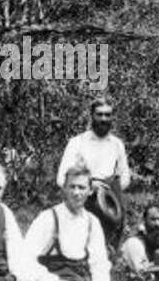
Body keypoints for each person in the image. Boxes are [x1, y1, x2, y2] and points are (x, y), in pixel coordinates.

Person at [56, 98, 131, 248]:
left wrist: (110, 190)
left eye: (107, 115)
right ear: (92, 116)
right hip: (84, 199)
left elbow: (125, 177)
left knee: (108, 248)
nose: (104, 119)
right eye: (100, 114)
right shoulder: (77, 142)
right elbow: (61, 177)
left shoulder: (117, 144)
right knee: (81, 246)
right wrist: (89, 185)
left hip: (108, 201)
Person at [120, 203, 159, 281]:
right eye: (153, 219)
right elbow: (140, 275)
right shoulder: (134, 243)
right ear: (144, 220)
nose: (157, 224)